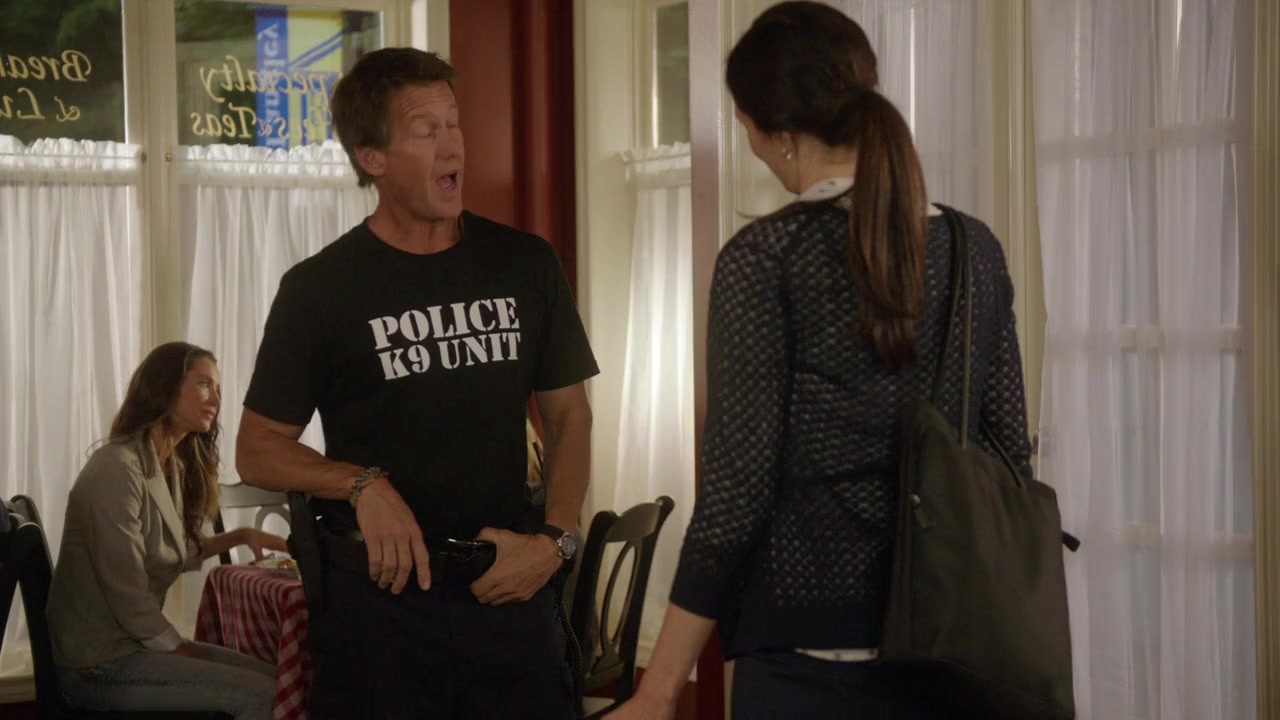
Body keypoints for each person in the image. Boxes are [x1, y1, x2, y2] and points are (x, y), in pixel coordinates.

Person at [607, 3, 1035, 718]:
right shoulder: (973, 250)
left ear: (777, 134)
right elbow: (1008, 457)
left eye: (744, 125)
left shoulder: (766, 258)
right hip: (953, 654)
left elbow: (735, 499)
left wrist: (657, 691)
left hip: (809, 667)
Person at [235, 47, 598, 720]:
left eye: (454, 123)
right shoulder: (320, 290)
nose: (452, 144)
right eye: (426, 130)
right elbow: (256, 449)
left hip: (507, 585)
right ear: (372, 158)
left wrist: (556, 542)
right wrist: (360, 484)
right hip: (382, 607)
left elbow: (570, 417)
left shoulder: (526, 264)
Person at [46, 342, 286, 720]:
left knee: (280, 680)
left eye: (218, 388)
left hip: (132, 648)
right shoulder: (116, 468)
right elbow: (126, 591)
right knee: (263, 696)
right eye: (204, 384)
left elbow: (170, 549)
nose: (216, 399)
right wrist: (178, 650)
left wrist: (240, 536)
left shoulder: (165, 465)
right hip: (99, 664)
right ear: (165, 387)